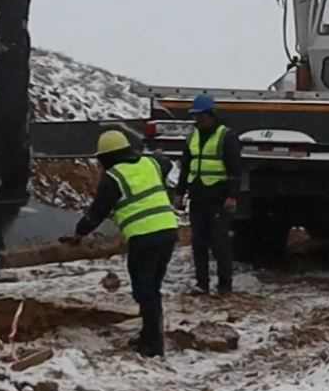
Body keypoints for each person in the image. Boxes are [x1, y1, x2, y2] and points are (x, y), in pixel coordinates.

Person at [60, 129, 180, 357]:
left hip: (144, 238)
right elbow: (166, 163)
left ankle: (153, 344)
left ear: (106, 157)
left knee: (144, 291)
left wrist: (79, 233)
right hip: (167, 233)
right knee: (152, 289)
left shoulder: (113, 177)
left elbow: (97, 212)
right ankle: (150, 335)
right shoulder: (150, 163)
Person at [179, 93, 239, 295]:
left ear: (211, 115)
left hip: (218, 197)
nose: (197, 120)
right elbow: (185, 167)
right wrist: (179, 193)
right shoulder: (192, 137)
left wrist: (232, 195)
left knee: (220, 243)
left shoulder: (226, 136)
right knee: (199, 242)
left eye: (201, 116)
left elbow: (234, 170)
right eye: (195, 116)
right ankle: (201, 283)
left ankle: (224, 285)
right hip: (197, 195)